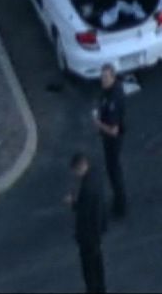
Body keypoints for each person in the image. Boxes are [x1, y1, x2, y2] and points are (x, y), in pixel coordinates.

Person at [65, 153, 107, 293]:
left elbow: (84, 211)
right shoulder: (95, 175)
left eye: (75, 171)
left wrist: (72, 203)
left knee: (89, 267)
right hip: (96, 232)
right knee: (98, 265)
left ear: (80, 167)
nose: (76, 175)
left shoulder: (87, 188)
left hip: (88, 236)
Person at [95, 64, 127, 218]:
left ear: (113, 77)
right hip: (107, 138)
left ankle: (121, 207)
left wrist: (98, 123)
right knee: (112, 171)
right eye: (102, 77)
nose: (103, 80)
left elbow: (114, 130)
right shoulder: (107, 92)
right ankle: (118, 201)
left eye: (106, 77)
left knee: (114, 172)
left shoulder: (114, 97)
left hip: (112, 140)